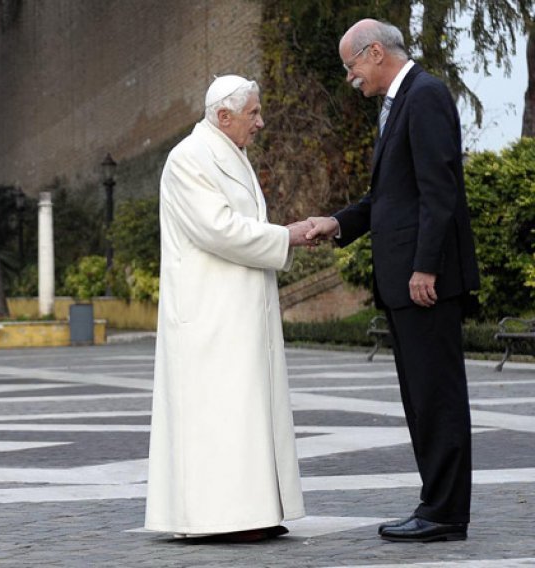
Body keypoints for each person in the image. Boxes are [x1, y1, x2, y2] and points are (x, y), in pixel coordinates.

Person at [305, 19, 480, 543]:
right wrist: (338, 223)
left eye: (351, 65)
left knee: (438, 397)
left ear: (375, 52)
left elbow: (439, 189)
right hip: (405, 281)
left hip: (423, 280)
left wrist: (425, 265)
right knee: (421, 399)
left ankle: (445, 512)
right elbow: (390, 199)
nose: (349, 76)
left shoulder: (423, 97)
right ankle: (437, 504)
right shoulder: (398, 104)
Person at [144, 74, 309, 543]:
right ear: (223, 116)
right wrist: (287, 235)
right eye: (253, 113)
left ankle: (252, 511)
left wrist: (282, 237)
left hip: (238, 311)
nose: (261, 122)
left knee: (246, 414)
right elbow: (218, 229)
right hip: (210, 315)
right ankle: (219, 519)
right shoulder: (188, 159)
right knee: (219, 418)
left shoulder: (228, 154)